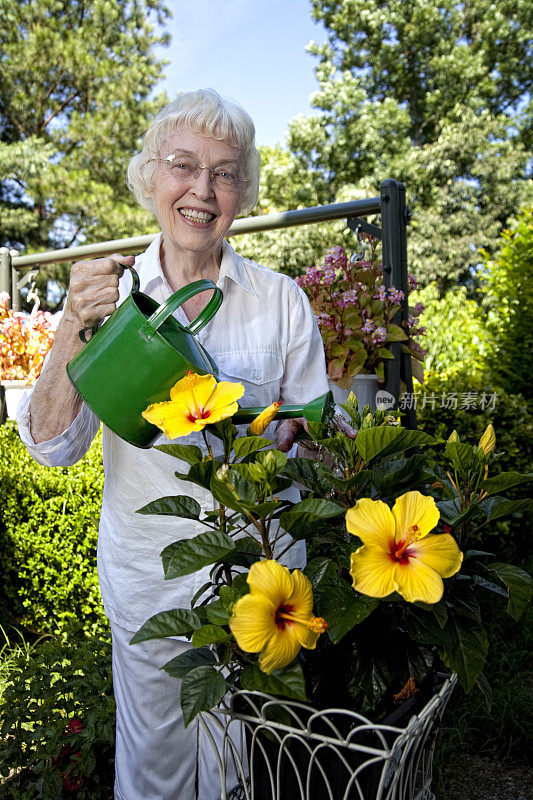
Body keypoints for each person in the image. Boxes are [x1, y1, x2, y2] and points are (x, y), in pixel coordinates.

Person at [17, 88, 329, 800]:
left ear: (242, 192)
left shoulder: (280, 300)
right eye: (183, 165)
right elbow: (52, 447)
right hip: (149, 578)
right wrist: (72, 324)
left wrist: (301, 434)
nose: (202, 189)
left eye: (224, 173)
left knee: (249, 762)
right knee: (155, 762)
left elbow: (319, 451)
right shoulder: (114, 298)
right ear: (150, 177)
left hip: (261, 577)